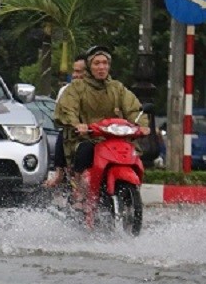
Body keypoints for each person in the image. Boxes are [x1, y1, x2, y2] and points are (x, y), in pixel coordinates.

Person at [54, 45, 150, 205]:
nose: (101, 67)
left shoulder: (117, 88)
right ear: (89, 67)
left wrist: (141, 124)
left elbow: (133, 108)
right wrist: (77, 124)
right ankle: (79, 188)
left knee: (132, 152)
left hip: (113, 138)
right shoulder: (77, 88)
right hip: (87, 136)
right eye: (97, 63)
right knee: (84, 149)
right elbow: (67, 108)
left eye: (105, 63)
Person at [45, 54, 87, 187]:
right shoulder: (66, 91)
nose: (75, 75)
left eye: (79, 71)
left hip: (97, 132)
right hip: (76, 132)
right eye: (74, 71)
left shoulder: (104, 90)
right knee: (63, 134)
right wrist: (76, 124)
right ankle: (59, 174)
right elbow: (63, 115)